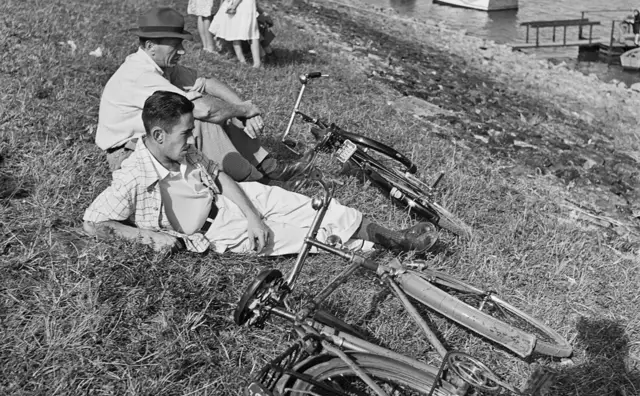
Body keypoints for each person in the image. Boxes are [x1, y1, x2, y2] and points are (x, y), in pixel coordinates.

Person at [84, 91, 436, 256]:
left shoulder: (182, 149)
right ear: (158, 135)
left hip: (234, 200)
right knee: (302, 239)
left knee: (307, 207)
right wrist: (146, 238)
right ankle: (379, 249)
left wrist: (253, 214)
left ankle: (392, 236)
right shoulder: (132, 175)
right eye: (185, 132)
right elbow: (93, 222)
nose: (192, 138)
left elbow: (219, 175)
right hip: (218, 229)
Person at [96, 6, 310, 183]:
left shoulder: (161, 66)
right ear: (151, 46)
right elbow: (203, 109)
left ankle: (270, 169)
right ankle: (254, 183)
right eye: (175, 45)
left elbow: (206, 83)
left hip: (154, 143)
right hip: (127, 155)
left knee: (224, 110)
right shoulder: (140, 74)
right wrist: (244, 110)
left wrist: (243, 108)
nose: (182, 51)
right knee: (203, 120)